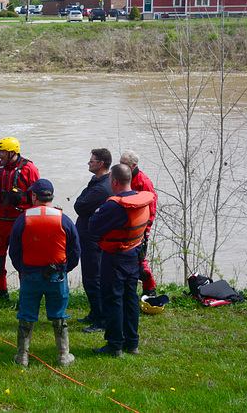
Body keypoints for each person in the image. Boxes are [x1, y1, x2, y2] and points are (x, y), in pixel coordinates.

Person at [9, 179, 81, 367]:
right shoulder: (63, 219)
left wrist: (23, 269)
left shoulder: (23, 219)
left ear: (34, 196)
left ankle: (22, 357)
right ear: (51, 196)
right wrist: (65, 269)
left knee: (26, 315)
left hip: (29, 275)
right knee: (59, 315)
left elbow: (14, 250)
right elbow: (75, 250)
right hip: (57, 277)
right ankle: (63, 356)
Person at [89, 164, 155, 357]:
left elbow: (93, 227)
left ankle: (115, 345)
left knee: (113, 298)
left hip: (115, 257)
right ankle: (132, 343)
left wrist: (98, 212)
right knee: (130, 297)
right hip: (134, 254)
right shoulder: (141, 199)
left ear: (114, 182)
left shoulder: (113, 205)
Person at [0, 137, 39, 301]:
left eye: (2, 152)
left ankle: (25, 295)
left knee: (23, 258)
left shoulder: (29, 169)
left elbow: (37, 195)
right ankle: (1, 293)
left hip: (21, 220)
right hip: (0, 219)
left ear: (12, 152)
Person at [73, 148, 114, 334]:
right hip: (88, 236)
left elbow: (79, 206)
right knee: (90, 278)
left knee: (93, 279)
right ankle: (94, 313)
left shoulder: (101, 187)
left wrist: (81, 202)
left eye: (92, 161)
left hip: (92, 239)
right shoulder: (98, 181)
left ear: (101, 164)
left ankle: (101, 320)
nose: (88, 163)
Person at [120, 150, 158, 296]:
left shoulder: (144, 182)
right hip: (124, 228)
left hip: (140, 230)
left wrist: (145, 231)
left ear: (134, 165)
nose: (120, 165)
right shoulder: (122, 178)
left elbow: (151, 210)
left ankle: (150, 289)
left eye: (124, 163)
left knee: (140, 260)